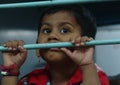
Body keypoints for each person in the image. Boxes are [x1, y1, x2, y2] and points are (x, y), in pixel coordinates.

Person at [1, 4, 109, 85]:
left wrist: (87, 67)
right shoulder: (31, 80)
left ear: (85, 44)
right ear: (37, 49)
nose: (52, 35)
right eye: (47, 31)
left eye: (64, 30)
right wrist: (11, 70)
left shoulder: (95, 76)